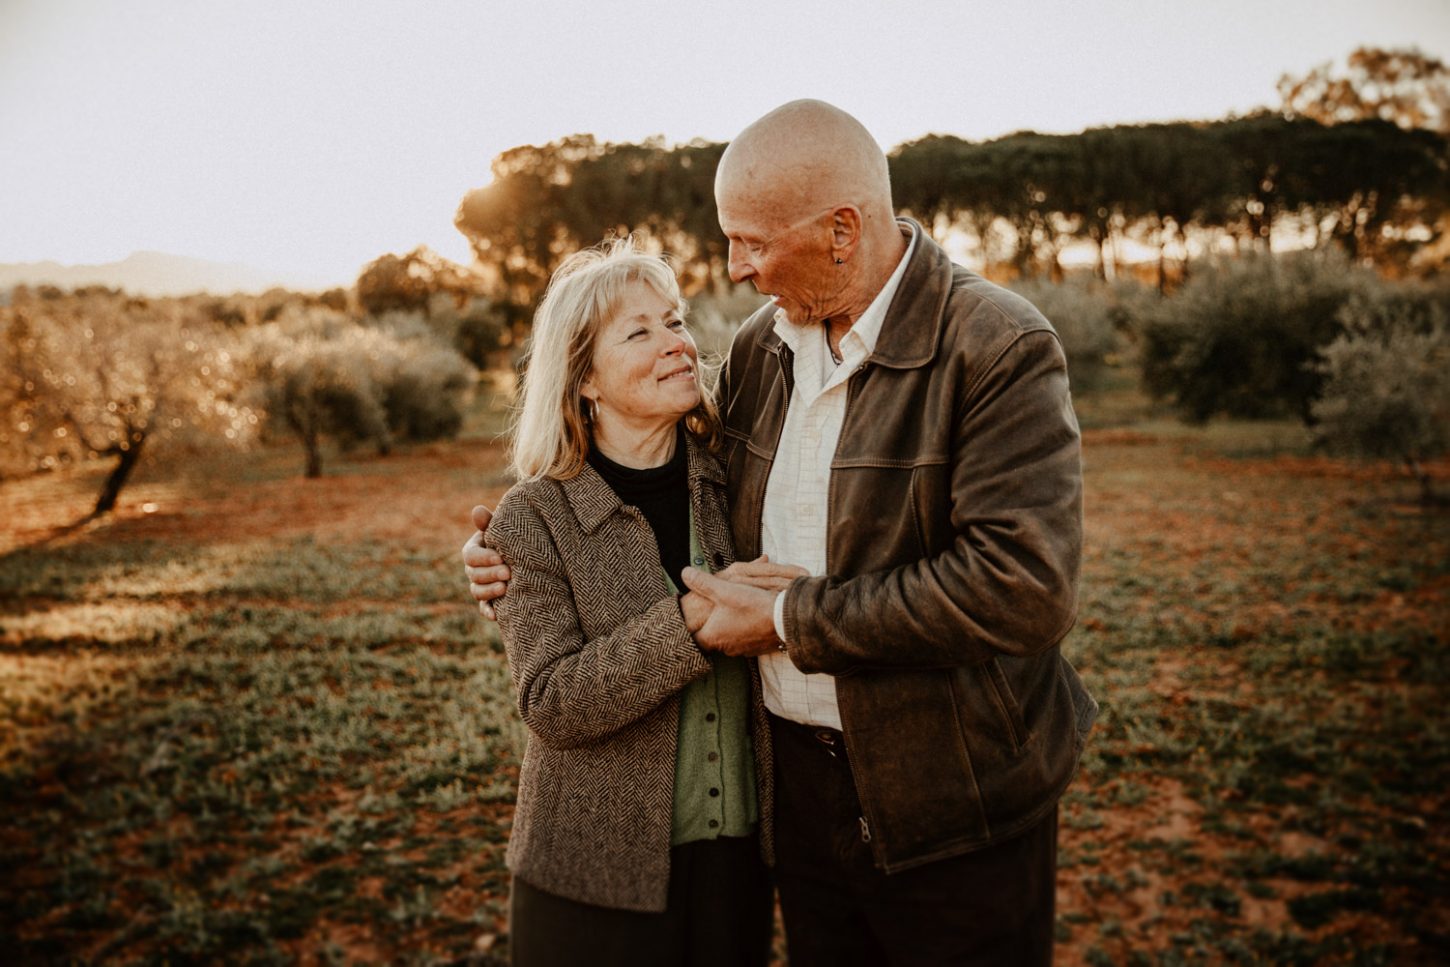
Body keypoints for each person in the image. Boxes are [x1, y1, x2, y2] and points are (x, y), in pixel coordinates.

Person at [466, 100, 1098, 966]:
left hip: (953, 802)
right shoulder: (767, 346)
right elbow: (629, 473)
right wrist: (509, 550)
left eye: (753, 242)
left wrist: (792, 620)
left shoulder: (995, 346)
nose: (735, 271)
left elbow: (1023, 586)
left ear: (842, 230)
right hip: (795, 810)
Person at [478, 238, 792, 967]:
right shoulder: (534, 516)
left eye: (676, 321)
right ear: (584, 377)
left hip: (738, 864)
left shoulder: (734, 482)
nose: (677, 344)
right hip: (592, 880)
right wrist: (688, 626)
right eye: (640, 331)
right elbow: (550, 699)